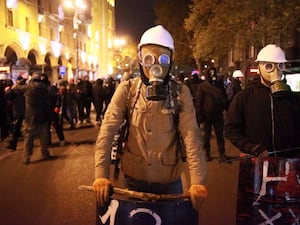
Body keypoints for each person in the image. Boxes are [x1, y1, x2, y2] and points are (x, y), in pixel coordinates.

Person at [93, 25, 207, 212]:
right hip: (132, 180)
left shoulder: (180, 92)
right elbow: (107, 131)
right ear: (140, 60)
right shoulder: (127, 90)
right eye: (148, 59)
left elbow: (191, 136)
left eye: (163, 59)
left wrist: (197, 181)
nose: (156, 66)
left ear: (170, 61)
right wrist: (100, 175)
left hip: (168, 181)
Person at [225, 44, 300, 158]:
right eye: (269, 66)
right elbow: (231, 129)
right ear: (260, 67)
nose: (276, 71)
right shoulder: (244, 98)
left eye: (280, 65)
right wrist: (251, 147)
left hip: (288, 164)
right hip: (257, 164)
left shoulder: (293, 99)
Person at [195, 66, 229, 161]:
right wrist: (200, 115)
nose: (212, 75)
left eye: (213, 73)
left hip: (218, 114)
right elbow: (199, 102)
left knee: (220, 134)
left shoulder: (219, 85)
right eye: (210, 73)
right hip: (207, 115)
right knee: (207, 135)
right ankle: (207, 153)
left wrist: (227, 109)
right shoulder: (203, 86)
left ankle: (222, 153)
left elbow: (224, 98)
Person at [22, 73, 53, 164]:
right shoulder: (44, 88)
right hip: (42, 115)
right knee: (43, 137)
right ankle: (45, 153)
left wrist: (22, 80)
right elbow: (48, 100)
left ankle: (26, 157)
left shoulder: (28, 87)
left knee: (28, 137)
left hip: (30, 116)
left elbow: (16, 87)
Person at [5, 76, 27, 151]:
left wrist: (11, 89)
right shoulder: (24, 89)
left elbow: (7, 96)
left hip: (19, 112)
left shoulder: (17, 89)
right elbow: (7, 97)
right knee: (17, 129)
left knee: (17, 129)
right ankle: (13, 144)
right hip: (23, 111)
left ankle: (14, 144)